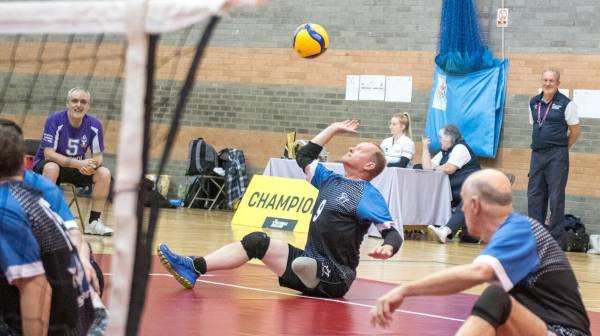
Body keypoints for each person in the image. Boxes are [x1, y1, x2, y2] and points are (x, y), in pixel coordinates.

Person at [157, 120, 403, 298]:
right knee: (256, 241)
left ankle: (312, 274)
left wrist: (388, 247)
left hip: (337, 274)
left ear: (369, 164)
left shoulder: (367, 195)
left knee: (304, 264)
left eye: (360, 149)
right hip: (308, 260)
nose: (352, 148)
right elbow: (304, 156)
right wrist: (333, 128)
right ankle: (193, 267)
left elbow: (392, 232)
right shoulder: (330, 179)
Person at [370, 169, 590, 336]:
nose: (461, 213)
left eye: (462, 206)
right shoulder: (514, 232)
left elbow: (477, 273)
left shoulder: (520, 230)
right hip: (542, 327)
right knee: (494, 315)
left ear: (474, 205)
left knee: (495, 299)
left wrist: (405, 290)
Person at [0, 118, 109, 335]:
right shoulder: (17, 195)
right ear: (24, 160)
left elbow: (36, 286)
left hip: (61, 304)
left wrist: (84, 263)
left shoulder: (15, 202)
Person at [32, 87, 113, 236]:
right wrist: (79, 164)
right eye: (74, 101)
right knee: (52, 168)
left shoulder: (95, 125)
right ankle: (46, 221)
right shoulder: (54, 120)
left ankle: (94, 223)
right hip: (47, 165)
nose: (79, 105)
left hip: (76, 167)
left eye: (83, 102)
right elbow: (49, 154)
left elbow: (98, 156)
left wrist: (91, 165)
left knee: (104, 173)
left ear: (88, 106)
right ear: (67, 103)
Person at [528, 69, 581, 240]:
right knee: (535, 194)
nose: (547, 83)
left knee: (556, 196)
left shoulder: (567, 104)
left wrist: (562, 148)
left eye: (551, 80)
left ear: (558, 83)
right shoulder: (533, 102)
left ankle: (556, 237)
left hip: (557, 155)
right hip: (537, 154)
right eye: (545, 80)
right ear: (541, 81)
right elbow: (535, 125)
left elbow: (575, 131)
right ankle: (537, 234)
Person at [422, 125, 481, 243]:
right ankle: (442, 229)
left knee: (467, 201)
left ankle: (445, 231)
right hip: (456, 192)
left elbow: (449, 168)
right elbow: (427, 168)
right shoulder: (444, 152)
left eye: (441, 137)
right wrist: (425, 148)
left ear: (449, 138)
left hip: (475, 191)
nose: (439, 140)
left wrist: (437, 168)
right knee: (468, 238)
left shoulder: (460, 147)